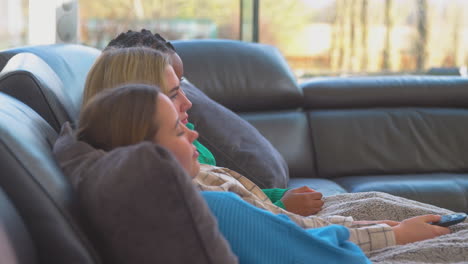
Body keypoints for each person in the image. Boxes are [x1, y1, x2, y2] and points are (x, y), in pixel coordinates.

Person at [78, 47, 451, 254]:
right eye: (175, 96)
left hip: (318, 228)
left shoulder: (182, 171)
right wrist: (392, 235)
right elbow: (286, 236)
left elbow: (278, 223)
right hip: (326, 239)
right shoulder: (208, 202)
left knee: (394, 208)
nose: (189, 109)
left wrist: (368, 227)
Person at [76, 82, 371, 263]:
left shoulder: (134, 210)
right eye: (178, 131)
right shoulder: (216, 207)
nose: (192, 134)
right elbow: (339, 258)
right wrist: (343, 234)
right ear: (146, 150)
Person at [84, 39, 323, 217]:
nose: (188, 103)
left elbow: (239, 193)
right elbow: (233, 217)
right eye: (174, 94)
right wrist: (281, 207)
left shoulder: (187, 146)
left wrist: (280, 198)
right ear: (137, 106)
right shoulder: (166, 176)